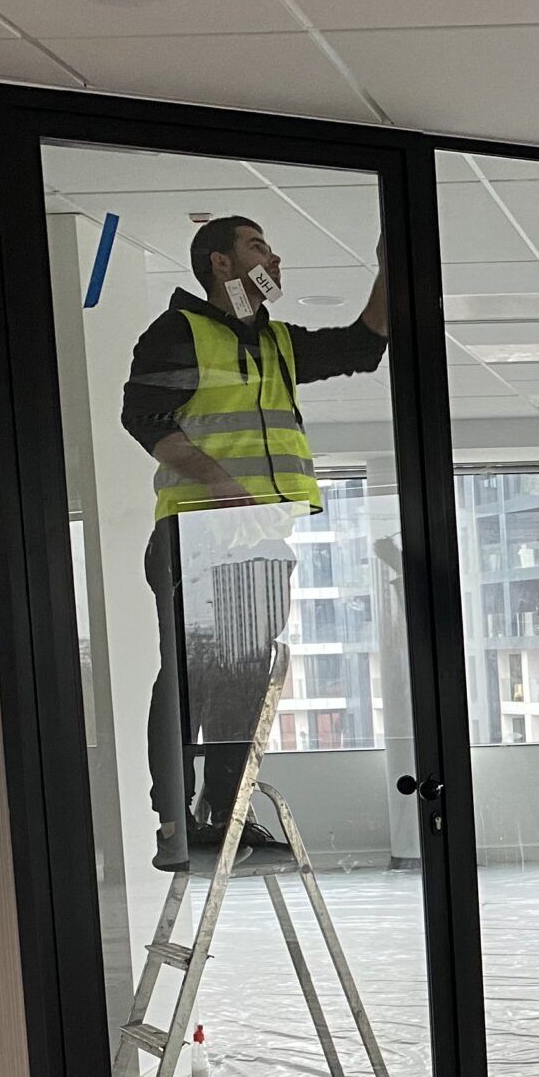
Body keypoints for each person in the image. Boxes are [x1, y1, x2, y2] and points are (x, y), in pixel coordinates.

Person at [121, 215, 389, 867]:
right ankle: (175, 823)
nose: (273, 257)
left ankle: (228, 814)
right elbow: (144, 416)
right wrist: (220, 482)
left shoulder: (275, 341)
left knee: (245, 681)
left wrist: (390, 269)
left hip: (262, 543)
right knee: (191, 678)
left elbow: (362, 347)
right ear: (221, 264)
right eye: (257, 246)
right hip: (196, 535)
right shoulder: (177, 332)